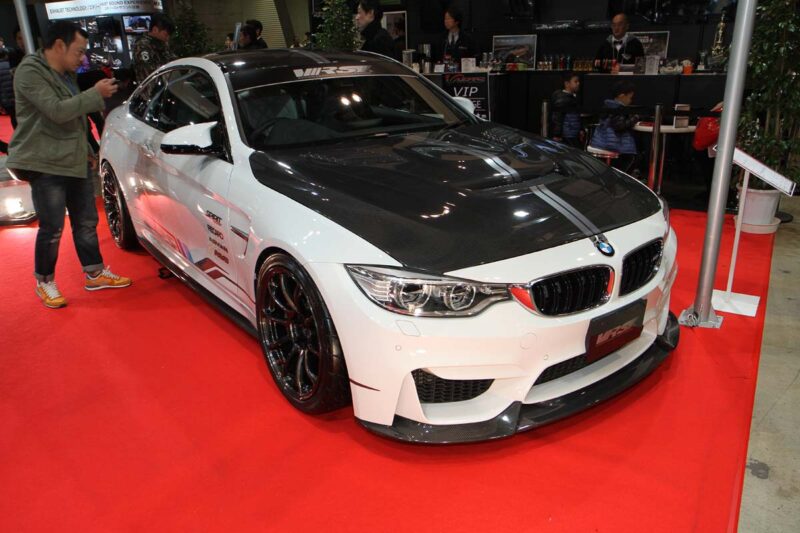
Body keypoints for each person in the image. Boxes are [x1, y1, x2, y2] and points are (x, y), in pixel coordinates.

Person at [7, 21, 131, 309]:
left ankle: (94, 273)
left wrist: (87, 149)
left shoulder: (65, 73)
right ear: (60, 45)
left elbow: (74, 119)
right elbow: (57, 111)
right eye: (79, 51)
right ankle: (45, 281)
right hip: (45, 160)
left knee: (86, 221)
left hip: (74, 158)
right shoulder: (30, 71)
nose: (82, 58)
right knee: (52, 227)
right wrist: (95, 94)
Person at [590, 80, 641, 173]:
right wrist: (635, 118)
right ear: (622, 96)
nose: (631, 100)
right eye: (630, 98)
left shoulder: (608, 105)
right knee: (630, 158)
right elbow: (619, 126)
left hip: (602, 142)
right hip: (612, 144)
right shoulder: (617, 108)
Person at [132, 13, 175, 84]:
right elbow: (149, 72)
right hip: (153, 88)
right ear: (155, 30)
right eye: (165, 35)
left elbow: (173, 60)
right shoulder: (142, 46)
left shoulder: (161, 44)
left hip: (169, 85)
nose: (167, 38)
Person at [549, 71, 582, 148]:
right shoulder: (562, 99)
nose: (578, 83)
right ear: (567, 84)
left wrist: (580, 129)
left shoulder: (573, 97)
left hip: (572, 133)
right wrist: (557, 135)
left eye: (578, 81)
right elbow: (557, 118)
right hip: (567, 135)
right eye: (575, 81)